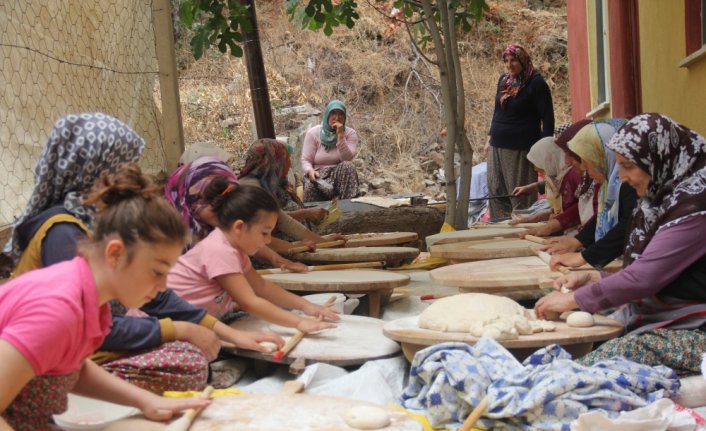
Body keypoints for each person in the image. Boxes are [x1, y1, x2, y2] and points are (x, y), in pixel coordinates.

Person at [6, 114, 282, 394]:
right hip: (69, 356)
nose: (127, 176)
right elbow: (90, 327)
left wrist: (230, 335)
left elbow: (159, 300)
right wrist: (180, 330)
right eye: (120, 165)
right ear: (91, 167)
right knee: (190, 361)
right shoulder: (63, 230)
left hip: (85, 348)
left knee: (193, 353)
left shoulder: (103, 221)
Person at [0, 160, 211, 430]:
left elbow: (74, 368)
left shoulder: (92, 303)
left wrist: (146, 400)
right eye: (157, 272)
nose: (162, 286)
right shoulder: (58, 310)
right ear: (115, 254)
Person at [535, 113, 706, 376]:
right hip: (673, 317)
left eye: (627, 166)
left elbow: (645, 278)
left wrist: (577, 299)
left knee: (595, 365)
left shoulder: (695, 208)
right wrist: (596, 277)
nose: (622, 177)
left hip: (697, 332)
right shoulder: (663, 201)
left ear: (659, 159)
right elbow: (659, 270)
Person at [168, 179, 340, 332]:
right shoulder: (219, 250)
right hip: (173, 324)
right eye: (264, 233)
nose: (267, 241)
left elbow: (261, 287)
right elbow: (249, 301)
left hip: (201, 321)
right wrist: (298, 323)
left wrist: (307, 306)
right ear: (239, 227)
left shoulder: (235, 250)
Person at [164, 156, 332, 266]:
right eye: (211, 206)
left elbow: (250, 237)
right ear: (186, 202)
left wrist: (282, 258)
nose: (224, 213)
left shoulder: (234, 201)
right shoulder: (166, 243)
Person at [542, 121, 638, 270]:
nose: (583, 167)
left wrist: (585, 256)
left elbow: (630, 223)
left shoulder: (629, 183)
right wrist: (578, 241)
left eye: (588, 160)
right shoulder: (610, 184)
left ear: (603, 155)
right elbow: (603, 218)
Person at [485, 44, 554, 221]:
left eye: (514, 60)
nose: (509, 64)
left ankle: (523, 230)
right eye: (506, 60)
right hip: (497, 144)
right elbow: (497, 111)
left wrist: (544, 151)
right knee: (496, 190)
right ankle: (499, 231)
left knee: (518, 193)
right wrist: (489, 137)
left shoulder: (536, 83)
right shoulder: (504, 81)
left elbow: (548, 119)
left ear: (523, 60)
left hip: (520, 147)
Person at [239, 138, 328, 225]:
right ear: (275, 162)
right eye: (287, 159)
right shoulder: (253, 190)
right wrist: (306, 214)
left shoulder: (277, 183)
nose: (290, 164)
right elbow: (275, 220)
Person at [509, 136, 581, 227]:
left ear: (548, 159)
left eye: (537, 163)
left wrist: (546, 221)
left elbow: (574, 211)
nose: (535, 168)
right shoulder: (557, 176)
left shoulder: (573, 176)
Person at [301, 100, 359, 202]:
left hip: (339, 175)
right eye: (333, 113)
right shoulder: (313, 133)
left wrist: (340, 136)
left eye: (341, 114)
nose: (337, 117)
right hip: (318, 175)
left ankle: (348, 208)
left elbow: (347, 158)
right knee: (310, 185)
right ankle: (315, 215)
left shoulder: (350, 133)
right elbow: (306, 160)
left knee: (348, 166)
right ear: (327, 115)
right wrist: (310, 171)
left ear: (345, 117)